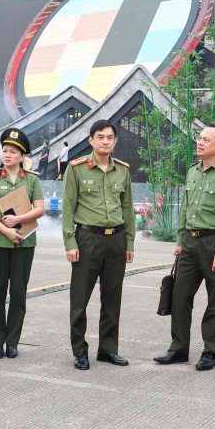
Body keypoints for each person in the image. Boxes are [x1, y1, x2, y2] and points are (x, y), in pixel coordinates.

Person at [154, 125, 215, 370]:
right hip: (190, 244)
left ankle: (210, 352)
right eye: (199, 138)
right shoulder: (193, 172)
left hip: (214, 243)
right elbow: (185, 208)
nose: (200, 143)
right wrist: (180, 241)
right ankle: (178, 349)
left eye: (206, 139)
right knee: (180, 297)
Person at [62, 120, 135, 370]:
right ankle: (80, 351)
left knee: (112, 297)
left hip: (116, 239)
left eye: (110, 137)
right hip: (86, 239)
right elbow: (68, 209)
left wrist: (129, 243)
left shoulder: (123, 170)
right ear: (91, 140)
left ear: (115, 142)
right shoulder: (76, 168)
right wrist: (70, 243)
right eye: (100, 137)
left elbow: (127, 209)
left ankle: (108, 349)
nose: (105, 141)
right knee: (80, 298)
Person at [0, 128, 45, 359]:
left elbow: (40, 209)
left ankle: (13, 341)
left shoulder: (32, 180)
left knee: (19, 293)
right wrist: (6, 230)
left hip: (24, 244)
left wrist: (18, 220)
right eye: (5, 150)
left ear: (22, 156)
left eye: (13, 152)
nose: (7, 155)